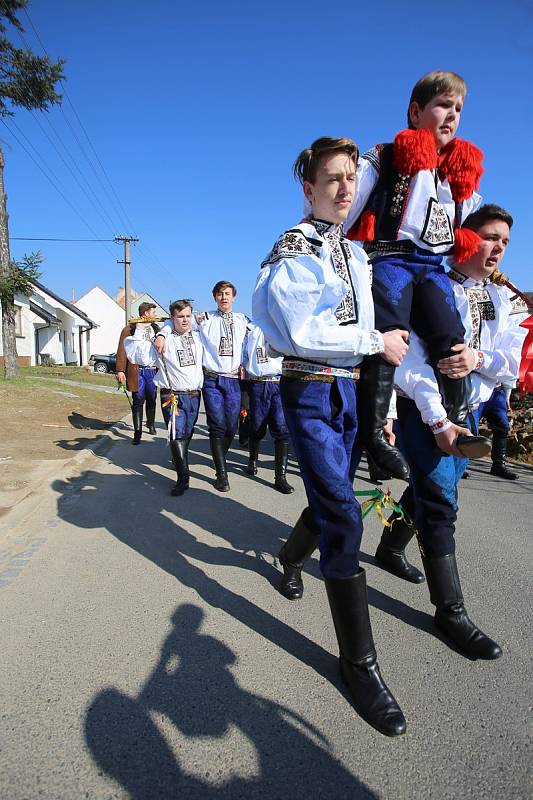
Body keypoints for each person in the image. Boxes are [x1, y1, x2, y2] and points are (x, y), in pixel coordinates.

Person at [253, 136, 409, 737]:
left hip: (348, 392)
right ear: (308, 188)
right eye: (331, 179)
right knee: (345, 515)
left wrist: (384, 405)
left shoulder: (355, 254)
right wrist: (373, 345)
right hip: (311, 389)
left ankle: (289, 558)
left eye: (351, 178)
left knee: (331, 499)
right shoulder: (295, 249)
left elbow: (376, 337)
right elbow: (300, 331)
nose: (344, 189)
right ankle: (359, 663)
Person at [376, 204, 528, 659]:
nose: (497, 247)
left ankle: (388, 546)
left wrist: (476, 360)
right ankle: (451, 611)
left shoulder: (507, 301)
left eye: (504, 240)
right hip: (425, 410)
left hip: (473, 412)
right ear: (463, 237)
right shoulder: (430, 284)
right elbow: (409, 359)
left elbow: (511, 367)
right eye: (489, 237)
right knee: (441, 505)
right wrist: (438, 417)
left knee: (427, 488)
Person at [342, 70, 489, 479]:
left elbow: (471, 236)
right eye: (444, 105)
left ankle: (456, 423)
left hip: (433, 267)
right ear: (415, 111)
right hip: (390, 257)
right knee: (391, 337)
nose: (452, 115)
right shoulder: (385, 156)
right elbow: (344, 214)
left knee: (451, 335)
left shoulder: (460, 180)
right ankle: (374, 433)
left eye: (458, 109)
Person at [157, 281, 248, 492]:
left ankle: (219, 460)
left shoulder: (243, 319)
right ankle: (221, 474)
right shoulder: (204, 318)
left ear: (234, 297)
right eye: (219, 294)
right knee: (216, 425)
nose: (223, 297)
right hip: (211, 380)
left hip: (234, 379)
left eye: (227, 294)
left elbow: (258, 337)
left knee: (231, 427)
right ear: (214, 297)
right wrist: (162, 333)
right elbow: (178, 321)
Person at [126, 300, 203, 495]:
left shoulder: (199, 336)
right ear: (172, 318)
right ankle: (183, 478)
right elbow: (137, 354)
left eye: (187, 316)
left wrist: (164, 330)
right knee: (176, 435)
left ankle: (181, 465)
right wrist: (144, 330)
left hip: (194, 395)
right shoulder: (163, 341)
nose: (184, 320)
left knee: (186, 434)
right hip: (172, 395)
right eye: (180, 317)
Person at [243, 321, 294, 494]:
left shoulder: (285, 325)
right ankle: (253, 461)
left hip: (280, 382)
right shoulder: (249, 328)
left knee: (281, 428)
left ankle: (280, 477)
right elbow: (243, 354)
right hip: (259, 383)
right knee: (257, 425)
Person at [116, 302, 160, 445]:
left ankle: (151, 424)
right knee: (138, 400)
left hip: (152, 369)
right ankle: (138, 432)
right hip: (137, 370)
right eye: (152, 312)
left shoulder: (155, 327)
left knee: (152, 399)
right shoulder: (130, 329)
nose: (154, 315)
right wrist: (120, 370)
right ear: (145, 313)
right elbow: (122, 351)